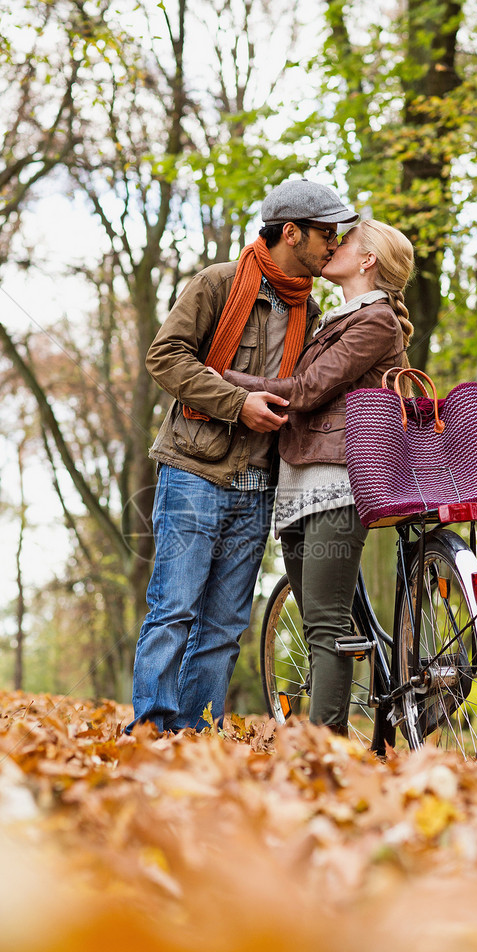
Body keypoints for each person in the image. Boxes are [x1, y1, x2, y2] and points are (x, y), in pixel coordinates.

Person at [130, 178, 359, 732]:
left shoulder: (315, 310)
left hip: (260, 483)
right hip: (194, 471)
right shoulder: (218, 284)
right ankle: (152, 731)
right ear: (291, 232)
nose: (334, 244)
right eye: (326, 234)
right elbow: (164, 358)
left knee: (226, 624)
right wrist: (237, 404)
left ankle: (197, 733)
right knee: (174, 610)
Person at [223, 219, 414, 734]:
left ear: (368, 259)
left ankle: (320, 754)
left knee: (326, 627)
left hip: (337, 481)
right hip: (299, 481)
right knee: (319, 626)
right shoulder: (336, 318)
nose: (333, 245)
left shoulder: (375, 322)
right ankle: (326, 746)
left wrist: (224, 377)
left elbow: (306, 390)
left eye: (345, 241)